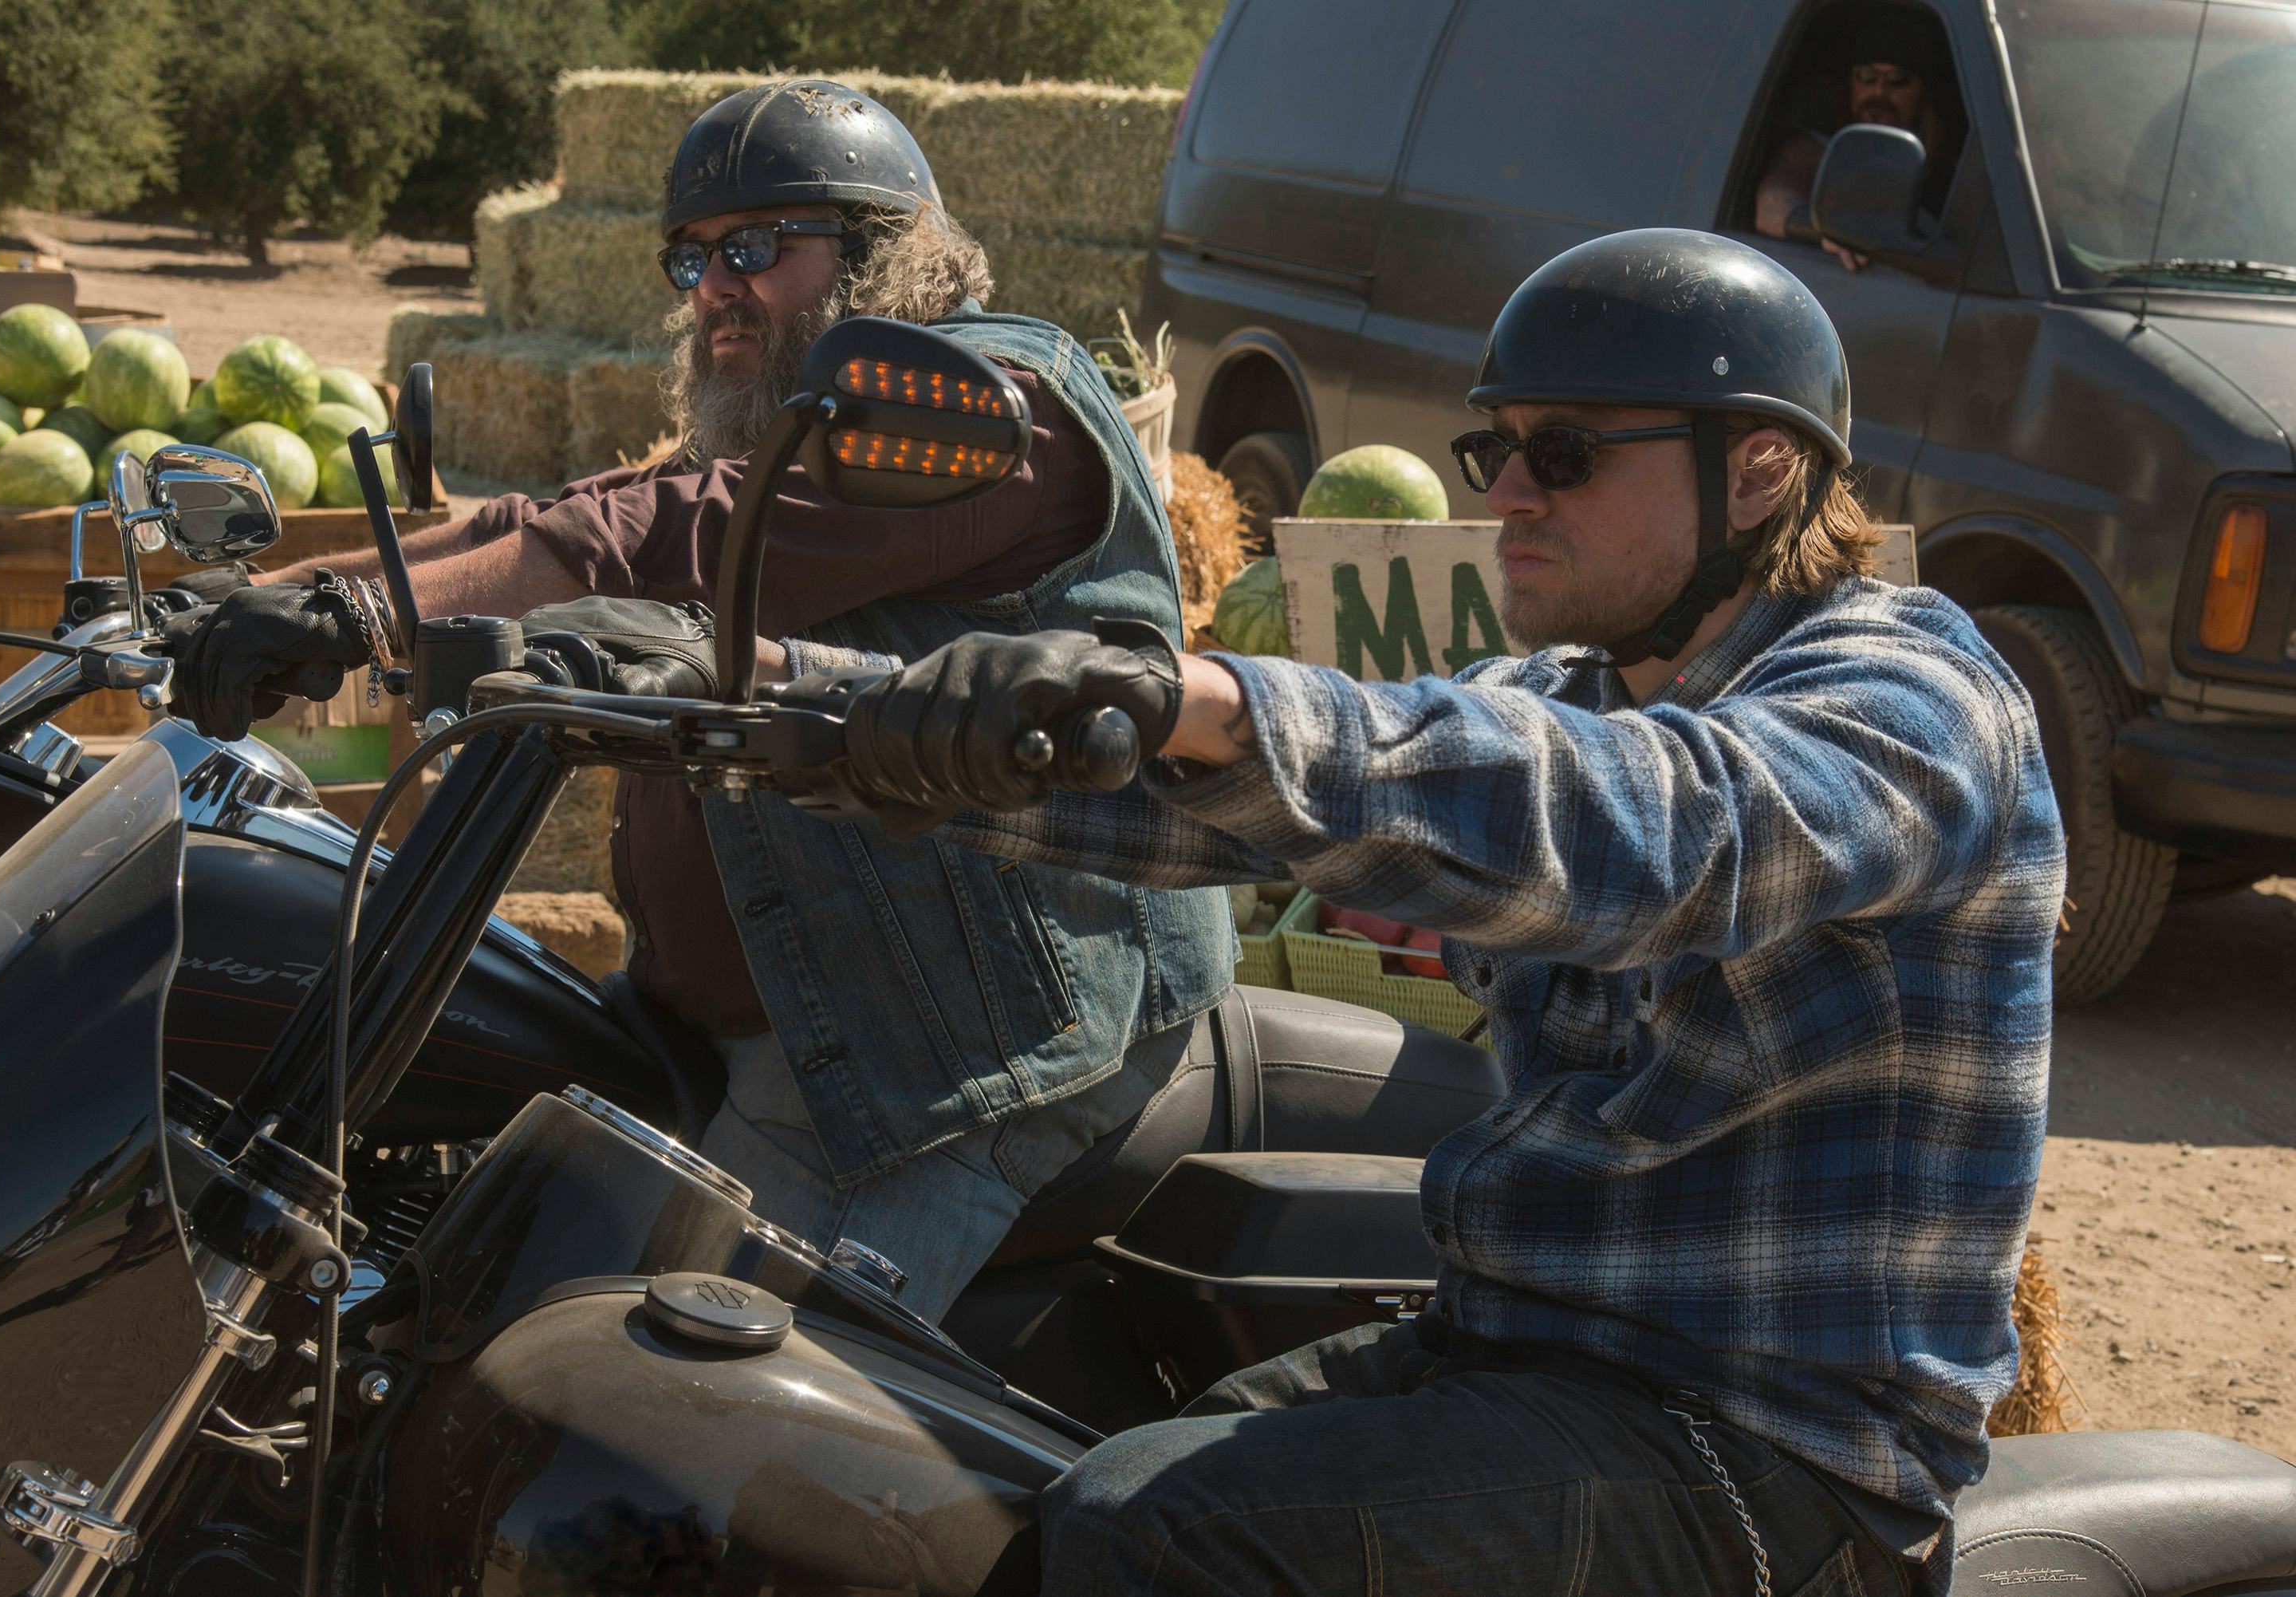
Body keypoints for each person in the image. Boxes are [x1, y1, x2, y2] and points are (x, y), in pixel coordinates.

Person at [807, 230, 2064, 1594]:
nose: (1509, 493)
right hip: (1526, 1356)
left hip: (1774, 1453)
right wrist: (815, 711)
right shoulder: (1572, 689)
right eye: (1496, 451)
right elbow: (1198, 803)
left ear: (1759, 467)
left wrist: (1207, 695)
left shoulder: (1913, 697)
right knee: (1057, 1488)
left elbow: (1665, 830)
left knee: (1154, 1531)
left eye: (1564, 452)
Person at [160, 80, 1234, 1322]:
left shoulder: (987, 411)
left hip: (943, 1048)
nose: (715, 285)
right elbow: (560, 518)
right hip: (749, 1022)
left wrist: (361, 612)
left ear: (883, 252)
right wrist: (265, 600)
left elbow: (679, 537)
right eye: (693, 256)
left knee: (653, 1397)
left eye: (757, 246)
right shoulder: (797, 424)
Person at [1755, 10, 1954, 270]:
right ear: (1851, 83)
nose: (1879, 92)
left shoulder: (1958, 173)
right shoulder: (1818, 150)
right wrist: (1830, 232)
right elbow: (1771, 206)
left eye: (1898, 80)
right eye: (1867, 76)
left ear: (1922, 92)